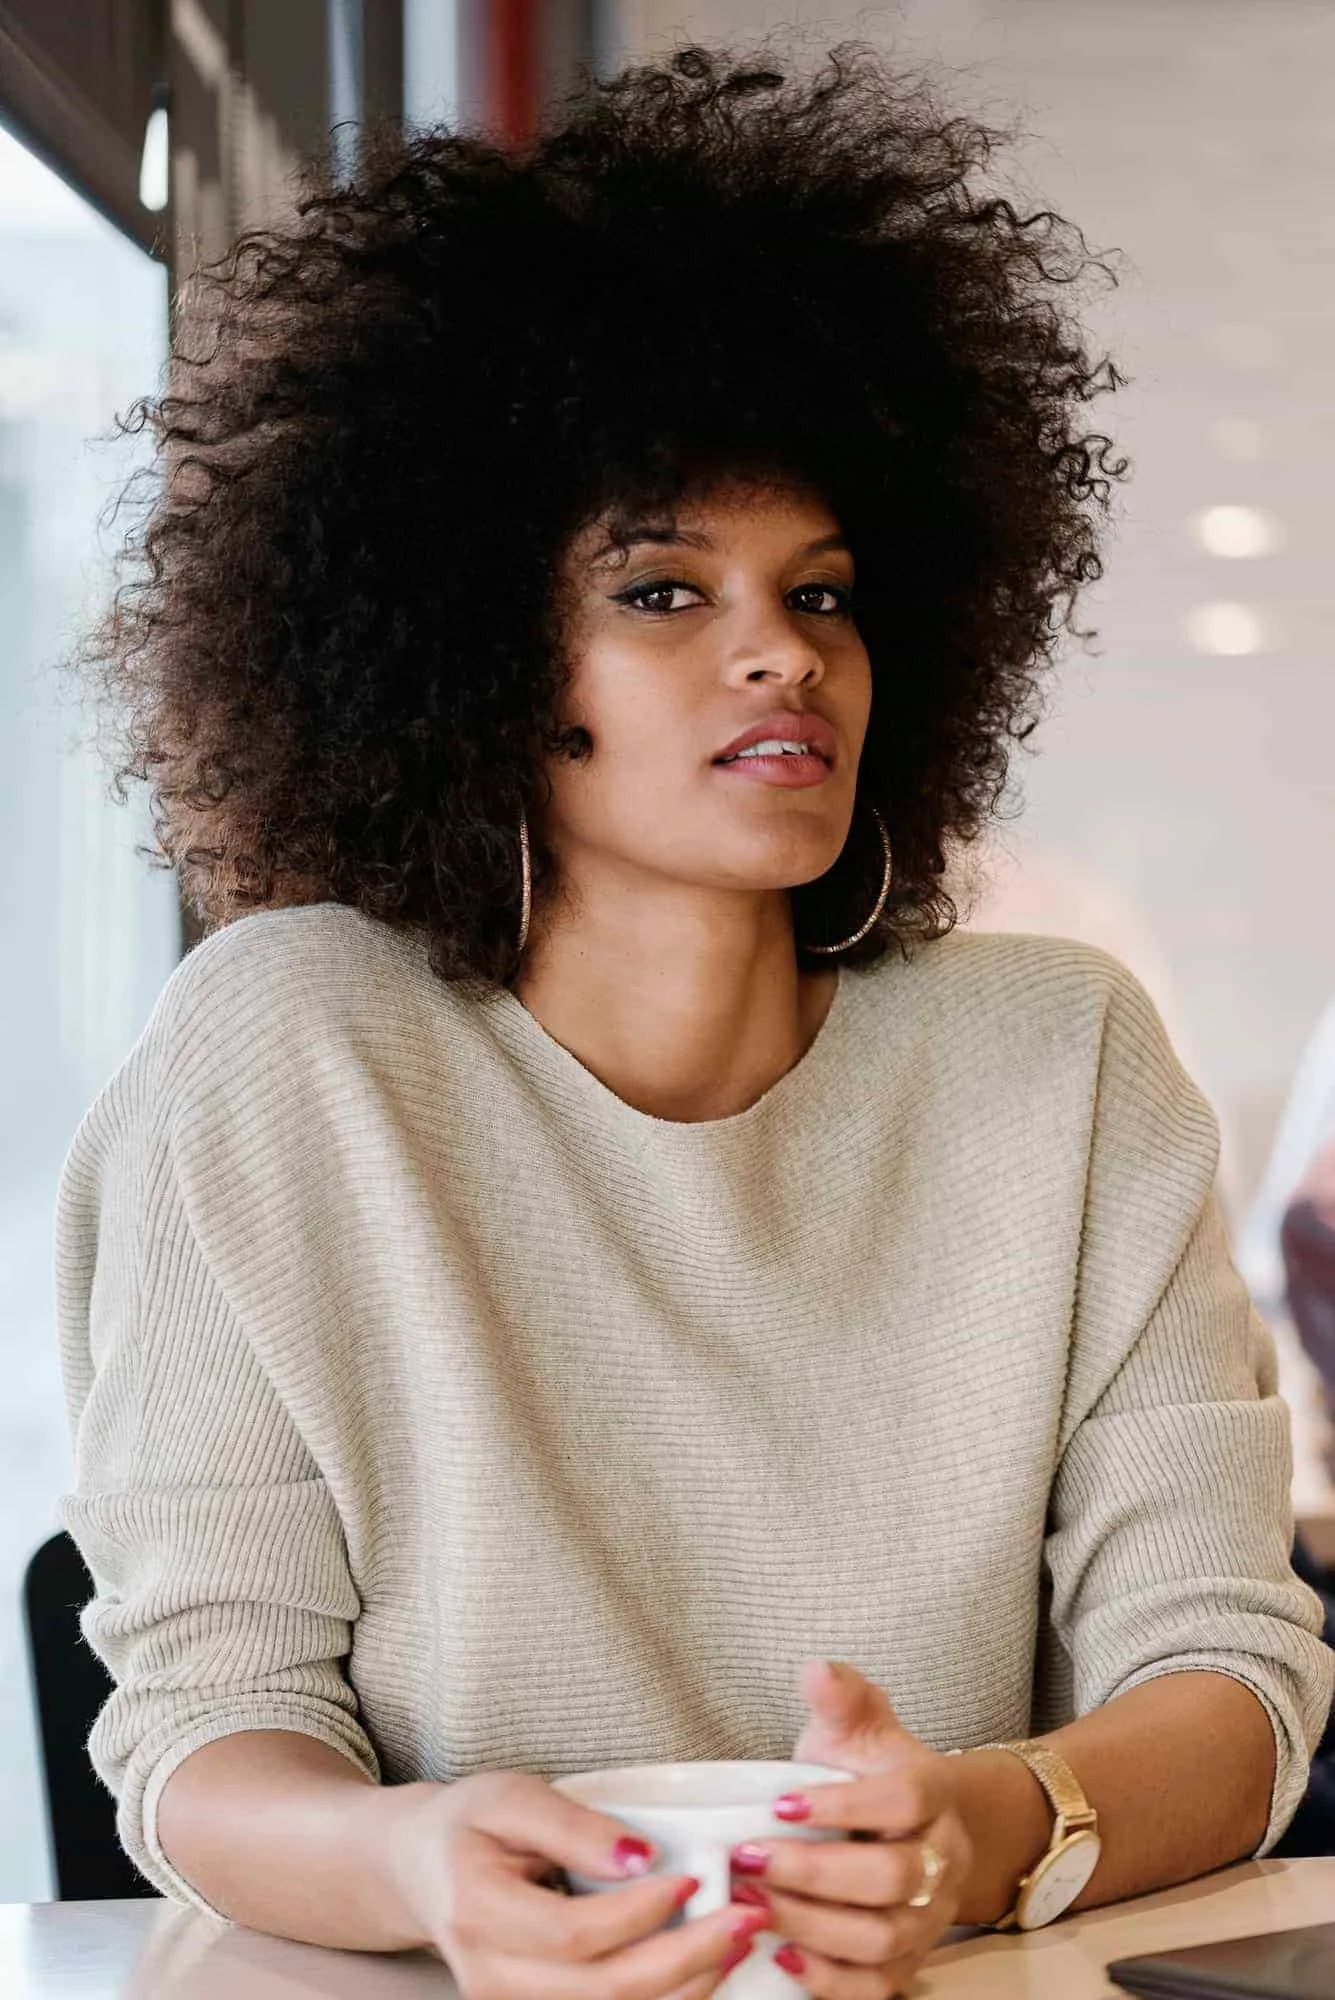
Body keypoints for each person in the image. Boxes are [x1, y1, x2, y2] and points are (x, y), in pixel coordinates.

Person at [55, 44, 1332, 2000]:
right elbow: (202, 1732)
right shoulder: (287, 1052)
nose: (777, 651)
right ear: (472, 652)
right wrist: (413, 1857)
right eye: (663, 589)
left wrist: (979, 1834)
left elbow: (1229, 1681)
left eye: (820, 592)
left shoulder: (1057, 1065)